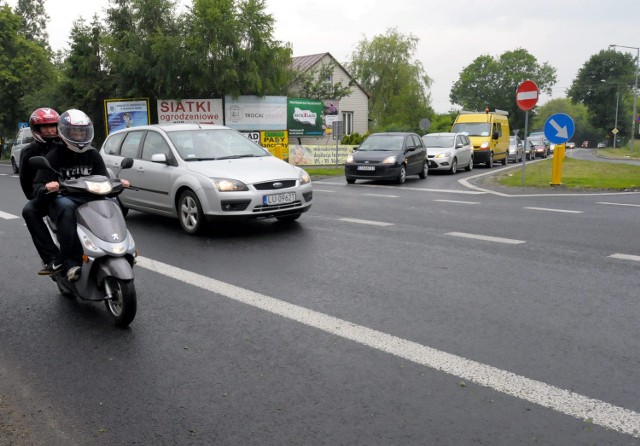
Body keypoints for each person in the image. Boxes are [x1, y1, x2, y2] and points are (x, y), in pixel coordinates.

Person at [31, 109, 126, 282]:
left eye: (82, 131)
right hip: (64, 199)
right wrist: (48, 186)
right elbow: (37, 186)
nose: (79, 135)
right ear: (65, 132)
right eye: (74, 131)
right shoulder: (54, 155)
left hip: (90, 198)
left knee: (113, 202)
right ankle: (69, 262)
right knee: (65, 206)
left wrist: (118, 183)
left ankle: (121, 246)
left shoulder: (93, 154)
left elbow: (104, 178)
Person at [19, 108, 64, 275]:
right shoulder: (29, 152)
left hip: (75, 192)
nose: (50, 130)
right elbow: (26, 182)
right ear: (36, 129)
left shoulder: (67, 145)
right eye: (44, 127)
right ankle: (51, 258)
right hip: (47, 195)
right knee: (29, 210)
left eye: (53, 125)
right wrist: (40, 195)